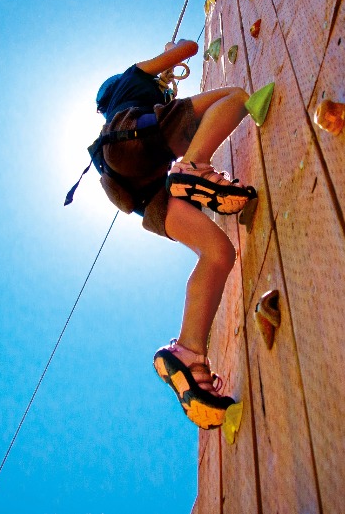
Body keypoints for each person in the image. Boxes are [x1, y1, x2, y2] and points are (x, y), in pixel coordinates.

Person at [95, 39, 253, 429]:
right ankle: (194, 167)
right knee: (235, 96)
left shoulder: (111, 111)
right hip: (135, 140)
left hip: (138, 192)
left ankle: (188, 352)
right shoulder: (133, 78)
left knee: (218, 254)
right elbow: (189, 48)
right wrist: (170, 52)